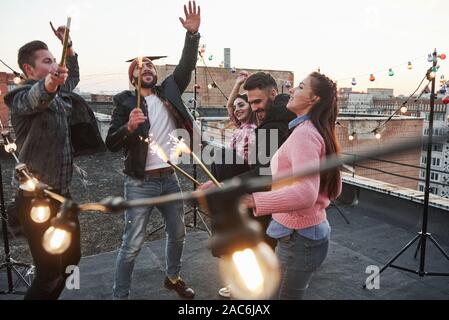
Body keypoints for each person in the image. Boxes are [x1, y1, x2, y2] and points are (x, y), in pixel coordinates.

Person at [105, 1, 202, 300]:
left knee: (179, 233)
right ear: (133, 77)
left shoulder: (170, 90)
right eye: (140, 66)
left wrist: (192, 36)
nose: (147, 67)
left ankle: (173, 278)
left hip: (169, 178)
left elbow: (186, 65)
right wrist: (128, 128)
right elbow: (110, 143)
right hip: (139, 183)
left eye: (150, 64)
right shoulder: (124, 102)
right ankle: (120, 295)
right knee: (132, 245)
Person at [4, 25, 104, 299]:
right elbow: (38, 98)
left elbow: (72, 76)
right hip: (35, 199)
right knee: (48, 272)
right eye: (47, 61)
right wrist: (49, 83)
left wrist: (68, 47)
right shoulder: (18, 97)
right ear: (29, 69)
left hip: (62, 196)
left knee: (72, 261)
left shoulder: (61, 92)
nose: (54, 65)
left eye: (54, 59)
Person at [243, 72, 342, 300]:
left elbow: (305, 194)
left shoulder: (305, 135)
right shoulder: (315, 130)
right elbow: (334, 189)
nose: (292, 90)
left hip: (299, 239)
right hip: (306, 234)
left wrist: (254, 200)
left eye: (300, 87)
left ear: (313, 99)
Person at [210, 71, 256, 181]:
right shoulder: (240, 125)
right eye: (236, 108)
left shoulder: (257, 125)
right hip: (231, 169)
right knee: (218, 154)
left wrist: (250, 83)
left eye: (241, 105)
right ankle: (216, 184)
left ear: (251, 106)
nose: (237, 110)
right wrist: (237, 83)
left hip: (245, 172)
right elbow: (229, 105)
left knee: (224, 154)